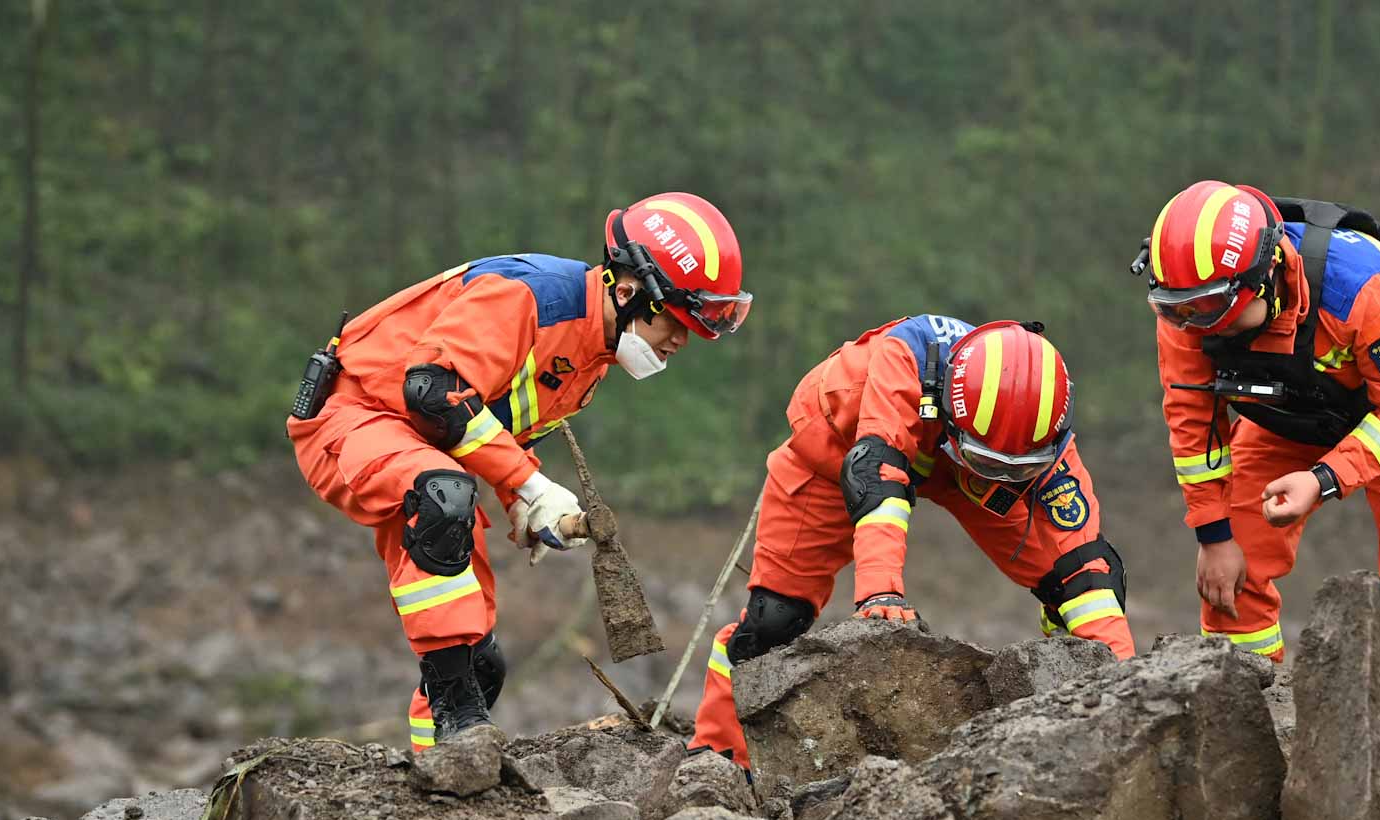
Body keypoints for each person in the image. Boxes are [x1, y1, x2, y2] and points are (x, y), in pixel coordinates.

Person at [288, 193, 750, 751]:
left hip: (420, 450)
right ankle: (462, 733)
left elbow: (491, 429)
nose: (682, 341)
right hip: (355, 418)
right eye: (676, 322)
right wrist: (532, 485)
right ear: (627, 293)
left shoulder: (591, 357)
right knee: (443, 499)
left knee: (480, 666)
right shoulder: (529, 298)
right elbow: (433, 391)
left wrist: (523, 500)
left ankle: (435, 770)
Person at [687, 315, 1135, 772]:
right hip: (838, 451)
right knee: (773, 619)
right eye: (991, 463)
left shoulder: (1042, 432)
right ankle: (719, 754)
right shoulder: (903, 361)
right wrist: (880, 593)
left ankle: (1080, 705)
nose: (1000, 475)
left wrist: (1128, 687)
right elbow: (875, 478)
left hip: (957, 467)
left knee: (1079, 581)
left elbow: (1087, 567)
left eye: (1015, 469)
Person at [1136, 181, 1380, 727]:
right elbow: (1193, 420)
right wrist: (1212, 534)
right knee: (1231, 574)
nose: (1205, 327)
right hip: (1286, 418)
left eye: (1217, 310)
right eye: (1184, 311)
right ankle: (1242, 732)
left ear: (1268, 275)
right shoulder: (1190, 308)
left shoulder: (1368, 289)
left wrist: (1324, 478)